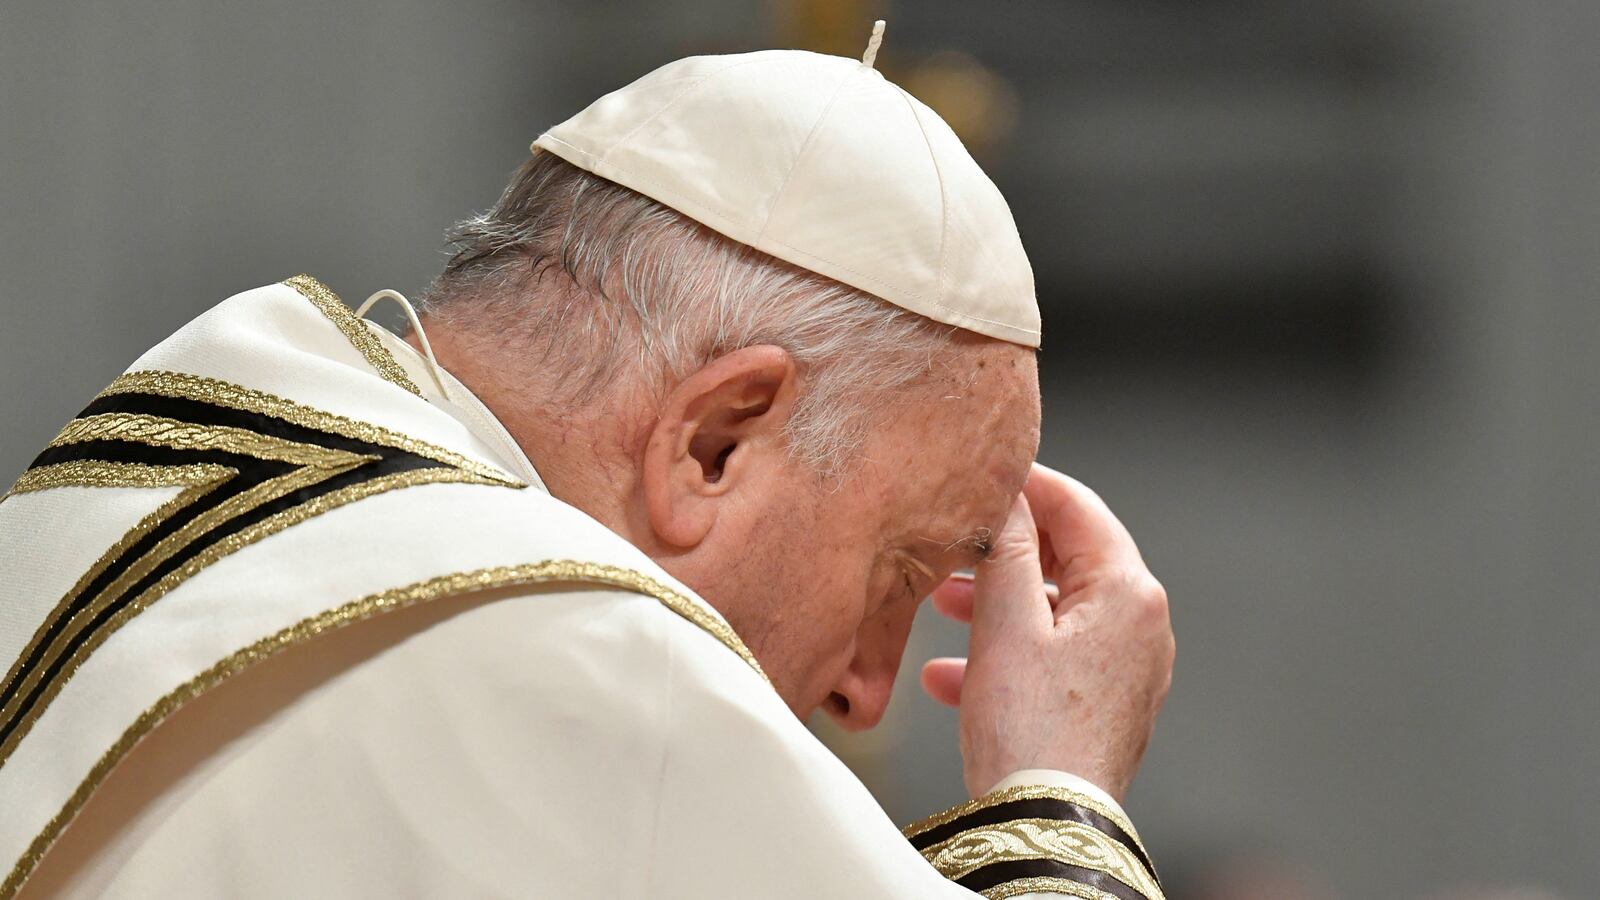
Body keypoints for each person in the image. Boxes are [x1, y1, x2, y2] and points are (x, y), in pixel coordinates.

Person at [0, 25, 1174, 900]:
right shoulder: (591, 667)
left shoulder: (157, 477)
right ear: (713, 441)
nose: (865, 689)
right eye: (895, 578)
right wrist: (1059, 798)